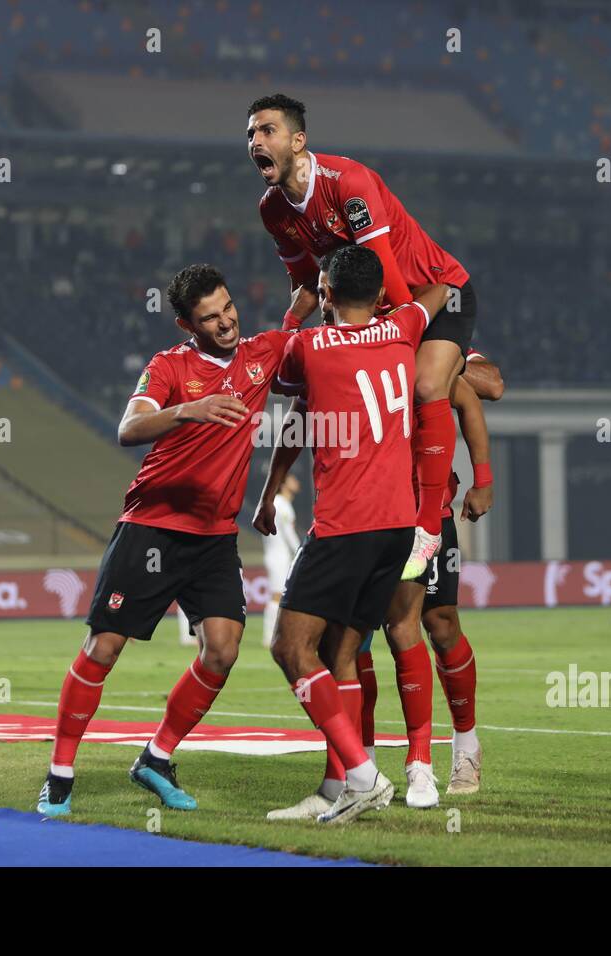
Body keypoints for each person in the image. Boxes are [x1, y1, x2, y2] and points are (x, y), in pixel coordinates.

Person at [36, 264, 313, 817]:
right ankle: (60, 774)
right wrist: (189, 409)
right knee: (105, 648)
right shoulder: (171, 366)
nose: (225, 321)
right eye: (210, 317)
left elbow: (304, 316)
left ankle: (155, 758)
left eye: (228, 307)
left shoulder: (261, 354)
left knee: (223, 649)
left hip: (213, 539)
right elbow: (128, 428)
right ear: (189, 324)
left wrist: (307, 286)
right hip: (152, 527)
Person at [248, 93, 476, 581]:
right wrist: (297, 332)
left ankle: (428, 523)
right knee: (312, 398)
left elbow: (391, 276)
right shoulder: (273, 210)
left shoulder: (347, 183)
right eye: (250, 134)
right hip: (370, 308)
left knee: (428, 387)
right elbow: (307, 284)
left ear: (298, 140)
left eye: (267, 130)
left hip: (435, 293)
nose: (255, 141)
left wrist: (397, 338)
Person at [266, 244, 449, 823]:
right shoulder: (403, 330)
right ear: (377, 296)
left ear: (326, 295)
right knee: (341, 653)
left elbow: (275, 373)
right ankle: (345, 782)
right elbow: (440, 288)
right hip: (399, 528)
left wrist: (294, 313)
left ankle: (365, 776)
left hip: (346, 526)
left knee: (289, 647)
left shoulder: (312, 345)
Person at [261, 472, 301, 649]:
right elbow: (289, 535)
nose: (296, 481)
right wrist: (301, 551)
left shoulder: (278, 504)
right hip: (279, 556)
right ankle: (269, 636)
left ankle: (275, 634)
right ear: (284, 484)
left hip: (276, 555)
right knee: (277, 596)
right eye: (292, 479)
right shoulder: (281, 505)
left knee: (281, 595)